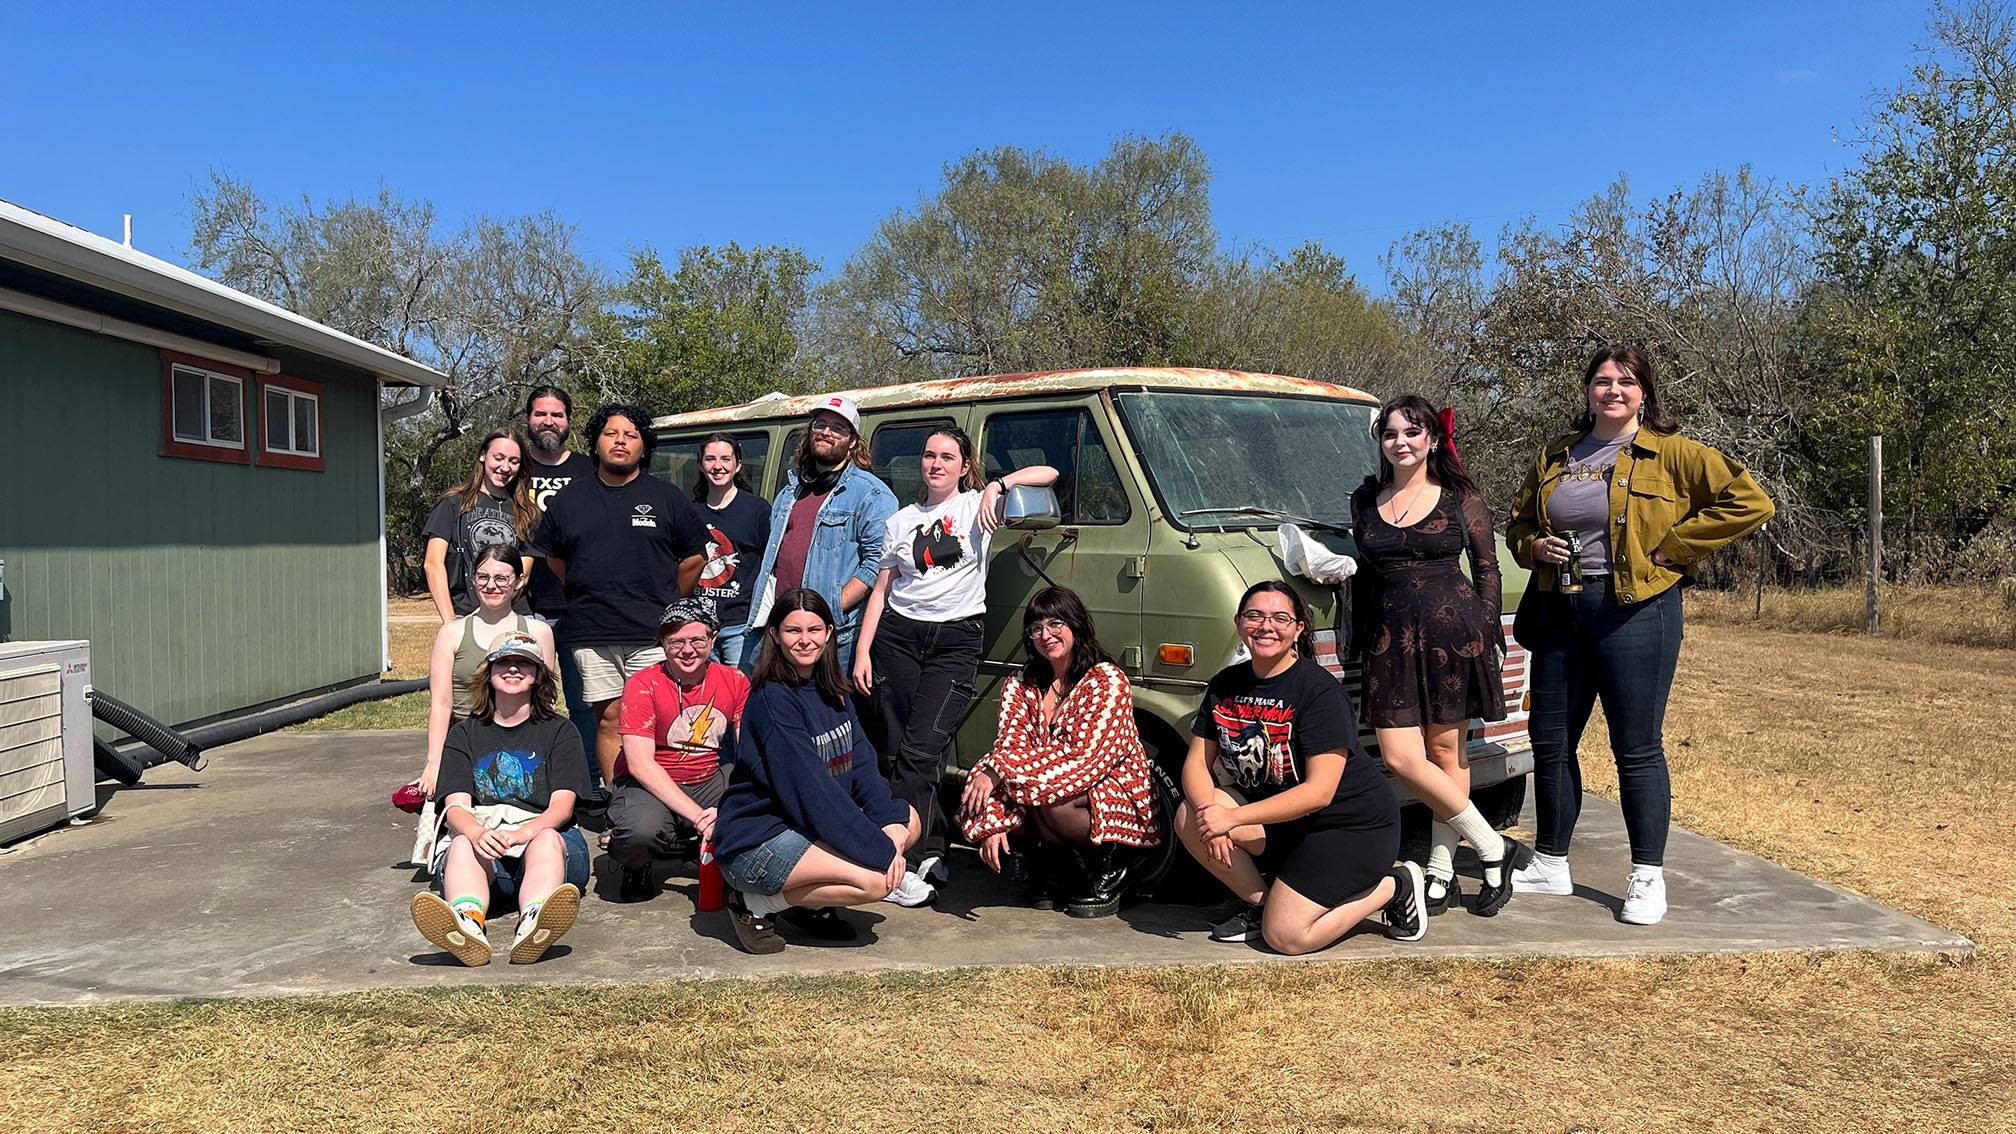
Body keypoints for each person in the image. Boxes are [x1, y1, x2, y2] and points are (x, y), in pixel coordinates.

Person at [1505, 345, 1774, 926]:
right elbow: (1519, 521)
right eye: (1602, 382)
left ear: (1644, 392)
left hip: (1636, 610)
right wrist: (1533, 547)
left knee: (1636, 747)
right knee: (1551, 741)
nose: (1613, 391)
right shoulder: (1556, 454)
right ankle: (1551, 862)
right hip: (1559, 609)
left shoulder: (1673, 453)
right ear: (1587, 391)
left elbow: (1750, 502)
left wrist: (1671, 550)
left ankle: (1647, 876)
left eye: (1625, 382)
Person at [853, 427, 1057, 903]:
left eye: (948, 457)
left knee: (923, 749)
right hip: (897, 639)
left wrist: (998, 485)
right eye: (928, 456)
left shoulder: (977, 508)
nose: (936, 464)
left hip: (955, 640)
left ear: (964, 465)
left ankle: (898, 853)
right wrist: (863, 650)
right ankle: (929, 849)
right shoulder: (901, 520)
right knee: (898, 749)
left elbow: (1049, 475)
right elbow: (882, 590)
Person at [1348, 395, 1527, 917]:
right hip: (1389, 642)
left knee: (1447, 756)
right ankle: (1493, 846)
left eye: (1411, 432)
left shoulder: (1458, 496)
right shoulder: (1364, 500)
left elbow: (1487, 566)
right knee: (1404, 758)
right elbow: (1365, 570)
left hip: (1453, 638)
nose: (1400, 442)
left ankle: (1441, 871)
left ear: (1431, 438)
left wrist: (1486, 624)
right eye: (1390, 434)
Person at [1175, 581, 1425, 954]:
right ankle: (1262, 907)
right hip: (1284, 820)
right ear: (1239, 622)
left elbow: (1318, 793)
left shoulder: (1319, 692)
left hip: (1348, 826)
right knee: (1188, 815)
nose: (1266, 626)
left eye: (1280, 618)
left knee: (1288, 938)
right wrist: (1209, 813)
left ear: (1298, 629)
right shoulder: (1226, 684)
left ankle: (1395, 885)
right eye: (1255, 616)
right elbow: (1197, 761)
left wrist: (1231, 821)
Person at [711, 588, 922, 955]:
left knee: (910, 820)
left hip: (803, 824)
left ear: (828, 633)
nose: (805, 640)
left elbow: (862, 767)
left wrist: (891, 830)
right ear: (774, 635)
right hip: (758, 837)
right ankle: (753, 904)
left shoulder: (831, 691)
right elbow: (812, 793)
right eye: (793, 631)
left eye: (814, 629)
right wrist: (882, 854)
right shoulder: (773, 700)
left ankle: (809, 904)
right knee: (875, 883)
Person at [529, 403, 708, 790]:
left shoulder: (666, 497)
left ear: (644, 447)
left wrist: (670, 599)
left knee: (662, 720)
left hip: (653, 634)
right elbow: (555, 559)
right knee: (609, 720)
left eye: (631, 435)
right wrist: (587, 587)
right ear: (596, 442)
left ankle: (669, 800)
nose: (620, 441)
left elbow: (695, 555)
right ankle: (619, 807)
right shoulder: (569, 500)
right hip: (593, 632)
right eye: (611, 434)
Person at [958, 586, 1161, 918]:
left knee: (1051, 801)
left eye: (1055, 624)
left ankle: (1113, 864)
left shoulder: (1106, 681)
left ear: (1075, 625)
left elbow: (1085, 763)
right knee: (989, 784)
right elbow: (1009, 748)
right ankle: (1057, 867)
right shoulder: (1020, 683)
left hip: (1111, 787)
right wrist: (991, 821)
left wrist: (1000, 771)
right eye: (1036, 628)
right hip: (1047, 780)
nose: (1045, 635)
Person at [409, 633, 592, 966]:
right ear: (488, 673)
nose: (513, 669)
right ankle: (467, 924)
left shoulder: (560, 731)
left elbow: (562, 807)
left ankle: (535, 921)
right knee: (462, 844)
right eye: (504, 662)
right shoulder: (464, 733)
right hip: (487, 852)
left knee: (547, 839)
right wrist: (479, 834)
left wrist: (523, 833)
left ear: (538, 675)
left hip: (549, 843)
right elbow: (456, 808)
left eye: (524, 663)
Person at [738, 396, 897, 675]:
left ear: (852, 442)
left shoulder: (871, 494)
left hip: (832, 634)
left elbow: (876, 564)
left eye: (838, 428)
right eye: (820, 424)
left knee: (830, 713)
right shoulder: (790, 490)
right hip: (781, 631)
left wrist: (826, 611)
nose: (826, 431)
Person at [608, 596, 751, 903]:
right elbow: (640, 765)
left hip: (709, 777)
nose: (687, 650)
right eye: (676, 642)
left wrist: (735, 804)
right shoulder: (642, 684)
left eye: (698, 640)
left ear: (713, 639)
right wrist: (701, 816)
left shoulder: (735, 680)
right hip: (650, 782)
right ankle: (638, 861)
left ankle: (717, 856)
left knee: (754, 810)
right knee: (638, 832)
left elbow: (748, 750)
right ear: (662, 643)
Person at [417, 544, 558, 798]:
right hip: (467, 744)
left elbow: (545, 701)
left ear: (518, 582)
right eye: (483, 577)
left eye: (502, 578)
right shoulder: (452, 633)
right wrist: (434, 763)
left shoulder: (539, 632)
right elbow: (441, 704)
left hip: (521, 747)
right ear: (474, 580)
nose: (491, 585)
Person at [521, 385, 599, 758]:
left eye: (556, 414)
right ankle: (530, 771)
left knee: (585, 700)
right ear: (528, 419)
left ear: (568, 420)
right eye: (541, 414)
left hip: (581, 605)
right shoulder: (515, 467)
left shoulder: (588, 470)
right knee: (524, 695)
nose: (548, 421)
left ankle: (589, 775)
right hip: (526, 605)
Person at [422, 429, 535, 621]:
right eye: (498, 458)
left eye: (513, 461)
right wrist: (450, 622)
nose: (505, 467)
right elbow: (432, 564)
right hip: (463, 614)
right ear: (483, 455)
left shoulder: (528, 513)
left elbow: (522, 576)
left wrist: (494, 615)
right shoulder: (453, 503)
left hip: (514, 616)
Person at [691, 433, 771, 669]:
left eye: (725, 459)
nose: (718, 466)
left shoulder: (757, 510)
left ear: (738, 465)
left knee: (743, 697)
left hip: (741, 627)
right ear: (700, 464)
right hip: (699, 626)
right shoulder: (690, 511)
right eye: (710, 459)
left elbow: (772, 566)